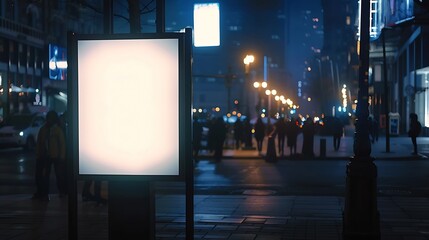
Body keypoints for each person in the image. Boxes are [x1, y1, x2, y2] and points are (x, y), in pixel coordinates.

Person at [32, 110, 66, 201]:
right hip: (46, 156)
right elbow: (39, 143)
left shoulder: (56, 130)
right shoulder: (44, 129)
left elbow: (62, 144)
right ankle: (44, 193)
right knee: (45, 176)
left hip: (55, 156)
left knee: (58, 175)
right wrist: (38, 154)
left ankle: (61, 191)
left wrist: (62, 156)